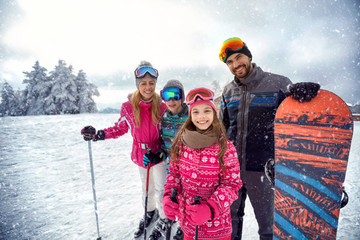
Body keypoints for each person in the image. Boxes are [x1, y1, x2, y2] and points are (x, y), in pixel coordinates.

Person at [218, 37, 320, 240]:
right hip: (232, 171)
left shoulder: (278, 83)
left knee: (268, 227)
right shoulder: (228, 91)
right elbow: (222, 129)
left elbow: (295, 121)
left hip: (264, 171)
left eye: (239, 58)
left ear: (249, 56)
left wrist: (302, 98)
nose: (235, 64)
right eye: (229, 62)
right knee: (229, 223)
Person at [81, 60, 168, 238]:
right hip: (140, 154)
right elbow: (120, 128)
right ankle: (150, 212)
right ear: (137, 84)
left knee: (161, 188)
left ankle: (165, 218)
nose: (148, 87)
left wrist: (160, 152)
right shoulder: (128, 107)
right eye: (143, 83)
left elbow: (169, 130)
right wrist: (98, 134)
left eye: (151, 83)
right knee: (146, 189)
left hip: (157, 154)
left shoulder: (162, 106)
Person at [162, 87, 243, 240]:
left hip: (218, 230)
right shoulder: (181, 144)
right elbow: (174, 174)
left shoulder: (226, 147)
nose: (201, 117)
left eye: (207, 111)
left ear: (214, 113)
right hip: (189, 227)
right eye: (196, 112)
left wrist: (210, 209)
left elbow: (232, 185)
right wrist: (169, 196)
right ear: (190, 115)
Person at [143, 79, 188, 239]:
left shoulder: (191, 116)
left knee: (186, 196)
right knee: (168, 195)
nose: (171, 100)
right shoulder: (165, 119)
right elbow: (164, 146)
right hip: (172, 167)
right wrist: (157, 156)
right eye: (166, 96)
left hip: (189, 167)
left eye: (175, 95)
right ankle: (167, 220)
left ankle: (185, 225)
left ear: (181, 96)